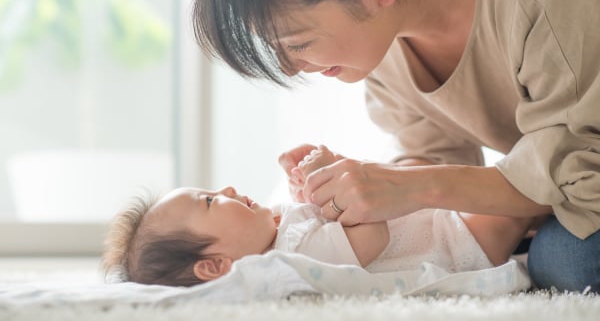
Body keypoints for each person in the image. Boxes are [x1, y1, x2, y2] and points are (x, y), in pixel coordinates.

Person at [192, 0, 600, 292]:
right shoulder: (383, 42)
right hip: (570, 183)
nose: (291, 67)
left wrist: (409, 186)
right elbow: (440, 162)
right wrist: (351, 190)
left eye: (297, 43)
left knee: (571, 261)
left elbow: (584, 173)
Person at [103, 146, 536, 287]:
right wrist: (328, 177)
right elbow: (371, 234)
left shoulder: (278, 226)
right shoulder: (294, 261)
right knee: (516, 201)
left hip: (436, 211)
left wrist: (309, 177)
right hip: (455, 241)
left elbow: (319, 208)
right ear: (216, 266)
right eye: (211, 202)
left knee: (501, 181)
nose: (229, 190)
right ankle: (558, 186)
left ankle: (545, 188)